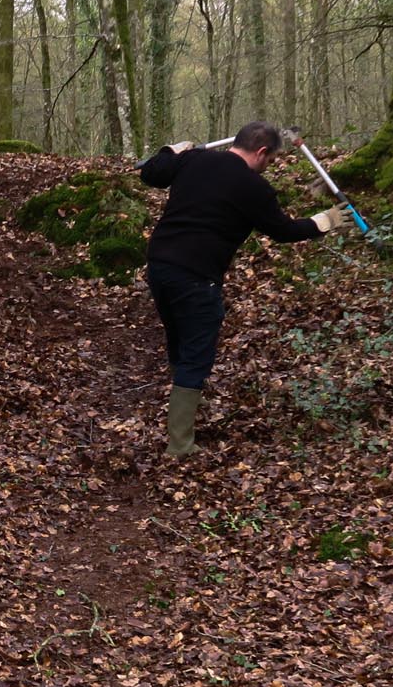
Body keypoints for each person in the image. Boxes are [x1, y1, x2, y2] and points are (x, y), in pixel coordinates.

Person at [138, 121, 349, 456]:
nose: (268, 168)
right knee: (196, 355)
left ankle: (183, 412)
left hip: (160, 267)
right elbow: (283, 230)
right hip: (197, 277)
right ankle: (179, 445)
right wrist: (324, 221)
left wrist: (171, 150)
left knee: (180, 342)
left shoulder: (195, 161)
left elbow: (150, 174)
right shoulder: (254, 187)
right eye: (270, 161)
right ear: (261, 152)